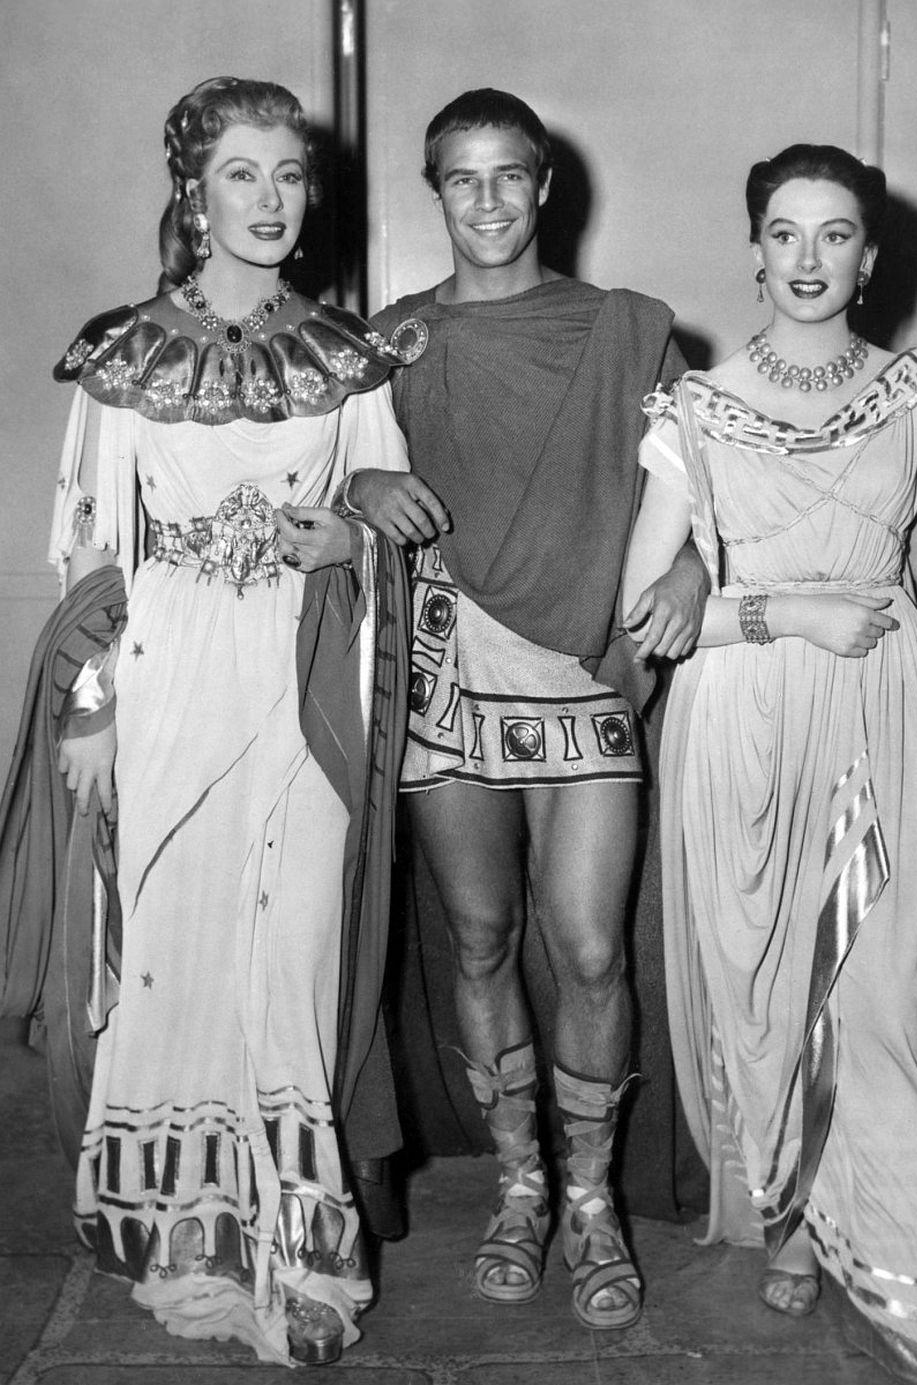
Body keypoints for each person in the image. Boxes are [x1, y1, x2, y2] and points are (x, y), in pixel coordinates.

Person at [0, 76, 424, 1365]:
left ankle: (301, 1245)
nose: (272, 202)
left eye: (291, 176)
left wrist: (351, 526)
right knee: (170, 951)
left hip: (300, 683)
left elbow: (384, 506)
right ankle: (191, 1232)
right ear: (192, 189)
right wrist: (89, 708)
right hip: (166, 672)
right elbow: (86, 550)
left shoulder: (348, 354)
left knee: (289, 952)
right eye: (244, 174)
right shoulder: (124, 352)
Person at [623, 144, 917, 1382]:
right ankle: (796, 1217)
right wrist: (785, 614)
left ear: (872, 256)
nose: (809, 259)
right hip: (746, 717)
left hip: (889, 714)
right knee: (769, 1002)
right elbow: (647, 609)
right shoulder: (694, 412)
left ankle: (908, 1256)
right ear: (752, 249)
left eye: (837, 233)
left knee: (879, 993)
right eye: (786, 232)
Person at [347, 89, 707, 1330]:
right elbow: (309, 470)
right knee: (483, 939)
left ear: (548, 184)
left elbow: (707, 485)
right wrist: (365, 469)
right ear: (433, 191)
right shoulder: (386, 343)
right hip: (450, 679)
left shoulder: (629, 328)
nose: (489, 201)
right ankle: (519, 1188)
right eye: (463, 179)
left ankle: (593, 1195)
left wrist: (693, 569)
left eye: (511, 176)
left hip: (580, 675)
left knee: (591, 946)